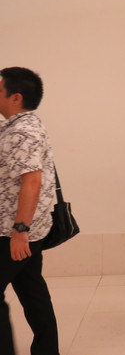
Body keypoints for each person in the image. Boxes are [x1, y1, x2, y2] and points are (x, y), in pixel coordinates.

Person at [0, 67, 60, 355]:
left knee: (32, 291)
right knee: (32, 290)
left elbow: (32, 181)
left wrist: (20, 231)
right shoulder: (20, 126)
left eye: (0, 90)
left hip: (15, 230)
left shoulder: (23, 131)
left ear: (16, 97)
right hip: (26, 228)